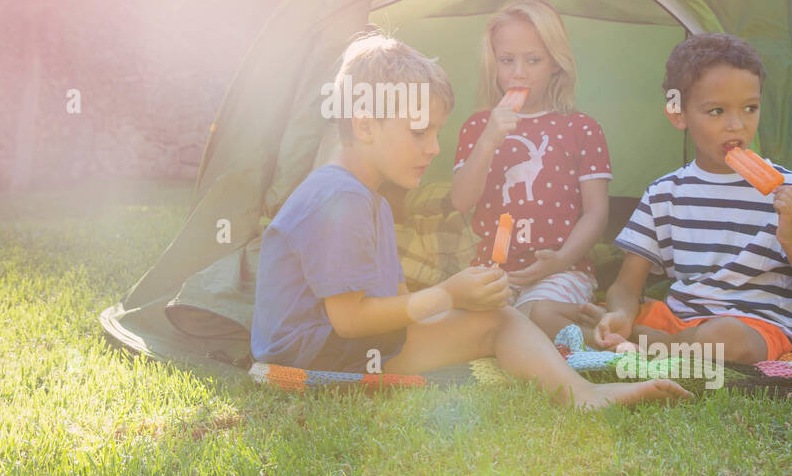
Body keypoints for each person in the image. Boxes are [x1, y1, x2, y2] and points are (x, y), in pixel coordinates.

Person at [250, 31, 690, 409]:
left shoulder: (373, 200)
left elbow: (397, 302)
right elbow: (349, 321)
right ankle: (585, 398)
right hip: (316, 354)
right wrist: (445, 296)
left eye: (437, 132)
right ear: (365, 127)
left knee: (495, 319)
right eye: (419, 132)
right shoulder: (339, 199)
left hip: (348, 346)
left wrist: (462, 298)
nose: (434, 148)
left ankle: (578, 389)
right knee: (497, 323)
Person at [594, 33, 792, 364]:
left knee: (725, 335)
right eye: (716, 111)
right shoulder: (664, 193)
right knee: (555, 312)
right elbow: (626, 286)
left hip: (757, 331)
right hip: (678, 320)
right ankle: (637, 338)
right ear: (678, 114)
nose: (736, 125)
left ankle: (649, 346)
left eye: (750, 108)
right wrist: (621, 315)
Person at [450, 0, 611, 341]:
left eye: (533, 60)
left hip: (562, 269)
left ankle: (604, 334)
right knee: (468, 324)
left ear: (556, 63)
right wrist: (489, 139)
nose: (518, 72)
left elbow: (597, 212)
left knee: (534, 315)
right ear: (492, 63)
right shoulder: (478, 125)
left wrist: (561, 259)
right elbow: (462, 202)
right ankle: (562, 329)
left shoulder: (582, 128)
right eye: (507, 60)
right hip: (492, 271)